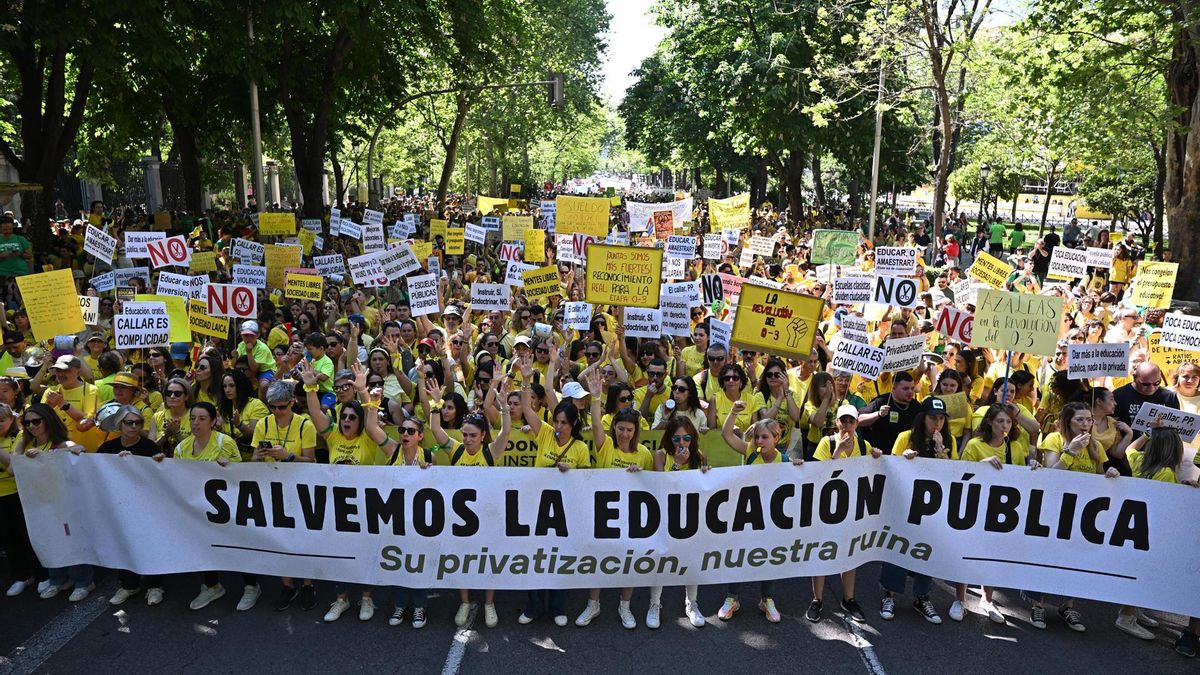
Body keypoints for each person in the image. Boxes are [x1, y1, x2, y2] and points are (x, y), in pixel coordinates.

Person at [428, 376, 512, 629]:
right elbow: (435, 430)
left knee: (487, 562)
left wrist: (506, 408)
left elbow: (506, 431)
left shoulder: (490, 452)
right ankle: (464, 602)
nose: (467, 439)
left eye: (472, 435)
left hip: (487, 517)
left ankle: (489, 603)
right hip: (461, 520)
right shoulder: (456, 450)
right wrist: (435, 404)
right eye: (464, 434)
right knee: (462, 562)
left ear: (483, 435)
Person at [578, 370, 654, 629]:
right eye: (620, 429)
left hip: (631, 515)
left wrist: (640, 475)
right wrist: (597, 397)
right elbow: (597, 425)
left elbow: (654, 485)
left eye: (629, 430)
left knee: (629, 561)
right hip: (603, 512)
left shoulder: (643, 453)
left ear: (636, 431)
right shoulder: (606, 445)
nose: (624, 434)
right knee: (599, 559)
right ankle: (593, 604)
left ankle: (625, 606)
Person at [518, 359, 590, 626]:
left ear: (573, 424)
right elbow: (526, 407)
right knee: (535, 558)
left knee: (559, 558)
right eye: (557, 420)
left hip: (564, 512)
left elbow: (588, 482)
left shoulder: (580, 449)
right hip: (536, 508)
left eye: (564, 422)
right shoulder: (545, 433)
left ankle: (558, 608)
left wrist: (572, 470)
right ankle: (533, 607)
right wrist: (526, 380)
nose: (558, 426)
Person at [718, 404, 800, 623]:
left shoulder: (784, 461)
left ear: (776, 438)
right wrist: (733, 412)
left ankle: (767, 599)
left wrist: (800, 467)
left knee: (768, 556)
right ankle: (732, 598)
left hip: (771, 518)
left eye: (764, 437)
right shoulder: (750, 452)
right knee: (739, 555)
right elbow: (727, 435)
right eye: (756, 437)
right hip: (746, 514)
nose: (759, 442)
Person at [807, 404, 879, 623]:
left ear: (857, 423)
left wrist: (877, 457)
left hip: (852, 507)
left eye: (851, 421)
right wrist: (838, 452)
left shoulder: (864, 445)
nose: (847, 425)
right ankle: (817, 599)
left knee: (850, 553)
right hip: (826, 507)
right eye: (843, 421)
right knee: (821, 551)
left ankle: (848, 599)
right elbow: (818, 475)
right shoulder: (826, 442)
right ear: (836, 422)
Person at [252, 379, 318, 611]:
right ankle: (287, 586)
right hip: (273, 487)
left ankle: (308, 584)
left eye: (282, 406)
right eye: (273, 407)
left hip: (300, 487)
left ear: (292, 403)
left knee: (303, 537)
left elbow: (312, 461)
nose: (278, 411)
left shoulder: (305, 425)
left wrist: (288, 455)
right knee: (280, 538)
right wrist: (258, 457)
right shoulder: (263, 424)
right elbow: (253, 459)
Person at [17, 403, 88, 600]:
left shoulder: (61, 443)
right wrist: (22, 443)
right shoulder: (28, 446)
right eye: (27, 422)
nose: (31, 426)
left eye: (36, 421)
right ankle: (57, 579)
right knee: (49, 540)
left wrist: (49, 455)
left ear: (47, 421)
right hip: (41, 504)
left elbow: (80, 449)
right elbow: (15, 464)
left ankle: (83, 582)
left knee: (71, 541)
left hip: (64, 504)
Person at [98, 405, 163, 606]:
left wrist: (159, 463)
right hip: (119, 507)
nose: (134, 427)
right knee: (123, 543)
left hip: (146, 506)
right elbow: (95, 473)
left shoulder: (150, 447)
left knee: (150, 544)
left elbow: (159, 478)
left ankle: (154, 585)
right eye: (129, 422)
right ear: (119, 424)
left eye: (138, 423)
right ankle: (128, 584)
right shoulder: (107, 449)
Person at [649, 417, 709, 628]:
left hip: (690, 516)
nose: (681, 443)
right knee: (661, 560)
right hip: (664, 515)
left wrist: (705, 474)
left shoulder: (700, 456)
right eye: (676, 438)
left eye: (686, 438)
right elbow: (660, 485)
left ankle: (691, 603)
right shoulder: (661, 455)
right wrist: (676, 465)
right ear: (669, 438)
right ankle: (654, 604)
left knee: (691, 559)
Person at [0, 402, 37, 597]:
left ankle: (39, 573)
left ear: (12, 419)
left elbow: (14, 466)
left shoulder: (20, 436)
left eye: (2, 420)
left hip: (18, 493)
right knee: (9, 540)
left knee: (25, 535)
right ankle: (21, 576)